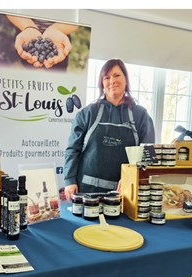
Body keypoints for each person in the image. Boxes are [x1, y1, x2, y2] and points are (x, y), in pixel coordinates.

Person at [63, 59, 155, 197]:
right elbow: (73, 149)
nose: (112, 81)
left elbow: (147, 156)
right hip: (87, 193)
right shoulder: (87, 113)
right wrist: (69, 180)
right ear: (102, 83)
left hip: (125, 194)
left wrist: (132, 177)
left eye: (117, 75)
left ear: (126, 80)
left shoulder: (141, 115)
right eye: (107, 77)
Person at [6, 15, 78, 69]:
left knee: (57, 73)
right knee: (29, 67)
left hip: (59, 36)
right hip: (26, 31)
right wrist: (28, 26)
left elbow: (78, 17)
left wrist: (56, 29)